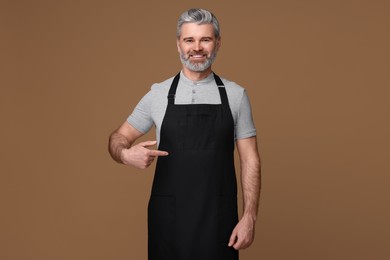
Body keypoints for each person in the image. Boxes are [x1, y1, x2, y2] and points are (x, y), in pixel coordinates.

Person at [108, 8, 261, 260]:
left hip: (218, 220)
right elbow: (117, 138)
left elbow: (250, 159)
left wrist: (249, 217)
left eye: (205, 39)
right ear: (178, 44)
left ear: (217, 43)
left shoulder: (236, 95)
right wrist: (125, 155)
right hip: (169, 221)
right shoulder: (158, 94)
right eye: (189, 39)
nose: (197, 47)